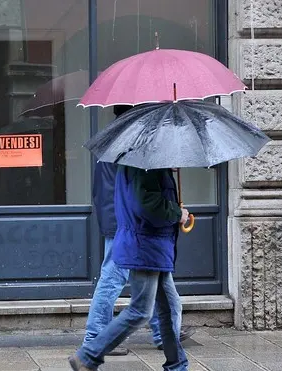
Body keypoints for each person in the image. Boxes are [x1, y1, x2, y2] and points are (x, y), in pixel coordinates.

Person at [83, 105, 194, 356]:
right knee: (113, 279)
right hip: (126, 225)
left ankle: (164, 333)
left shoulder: (118, 139)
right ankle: (95, 336)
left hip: (122, 221)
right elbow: (137, 196)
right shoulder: (131, 144)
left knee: (156, 280)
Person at [69, 164, 190, 371]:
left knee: (168, 307)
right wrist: (177, 213)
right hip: (146, 245)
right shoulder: (147, 167)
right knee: (140, 310)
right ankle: (88, 355)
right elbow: (147, 205)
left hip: (153, 246)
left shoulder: (148, 164)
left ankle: (177, 365)